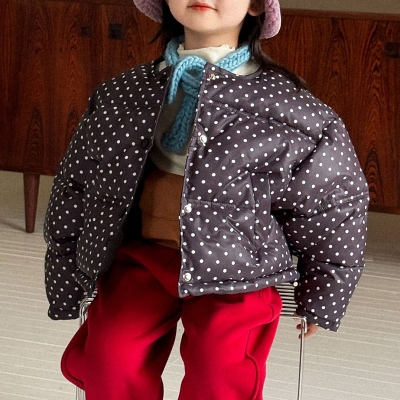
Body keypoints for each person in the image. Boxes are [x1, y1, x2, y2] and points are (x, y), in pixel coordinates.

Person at [43, 0, 370, 399]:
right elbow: (77, 183)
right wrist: (66, 269)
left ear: (256, 5)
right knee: (111, 357)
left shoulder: (291, 109)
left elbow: (333, 204)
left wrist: (324, 293)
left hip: (240, 269)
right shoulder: (123, 94)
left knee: (221, 372)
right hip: (144, 256)